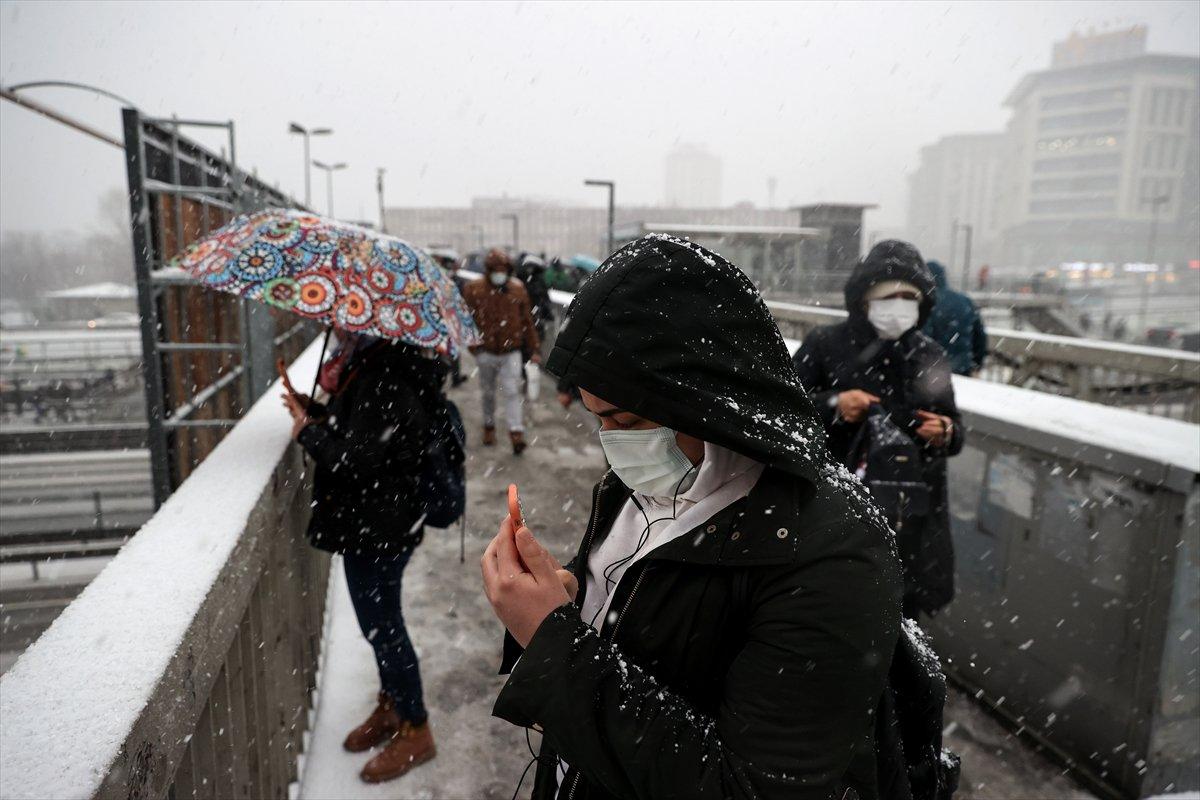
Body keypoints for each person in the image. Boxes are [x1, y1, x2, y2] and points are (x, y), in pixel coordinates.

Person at [480, 235, 953, 800]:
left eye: (625, 421)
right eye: (596, 419)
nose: (611, 444)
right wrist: (570, 600)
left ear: (702, 399)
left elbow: (750, 788)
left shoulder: (832, 552)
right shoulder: (640, 484)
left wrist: (552, 642)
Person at [282, 332, 443, 784]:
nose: (340, 327)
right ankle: (394, 705)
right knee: (380, 625)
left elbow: (359, 460)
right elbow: (365, 435)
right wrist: (316, 413)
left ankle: (417, 728)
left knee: (384, 628)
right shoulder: (384, 365)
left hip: (378, 526)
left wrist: (309, 434)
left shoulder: (382, 376)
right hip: (383, 520)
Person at [793, 240, 963, 620]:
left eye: (909, 296)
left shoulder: (928, 353)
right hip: (836, 507)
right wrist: (834, 405)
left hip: (911, 516)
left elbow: (954, 426)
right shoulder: (825, 344)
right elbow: (785, 410)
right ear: (865, 299)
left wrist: (946, 431)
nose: (900, 304)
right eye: (890, 295)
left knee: (900, 618)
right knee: (833, 610)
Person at [462, 249, 541, 455]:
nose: (500, 273)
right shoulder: (474, 289)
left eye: (503, 270)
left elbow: (527, 321)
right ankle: (489, 426)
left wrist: (534, 348)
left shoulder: (517, 289)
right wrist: (474, 347)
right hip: (485, 350)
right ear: (488, 271)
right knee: (488, 392)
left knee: (512, 391)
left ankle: (516, 433)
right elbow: (466, 320)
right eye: (496, 270)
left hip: (510, 350)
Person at [921, 260, 987, 376]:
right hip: (963, 367)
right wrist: (977, 363)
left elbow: (923, 337)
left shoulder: (926, 303)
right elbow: (979, 336)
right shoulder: (965, 300)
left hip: (934, 374)